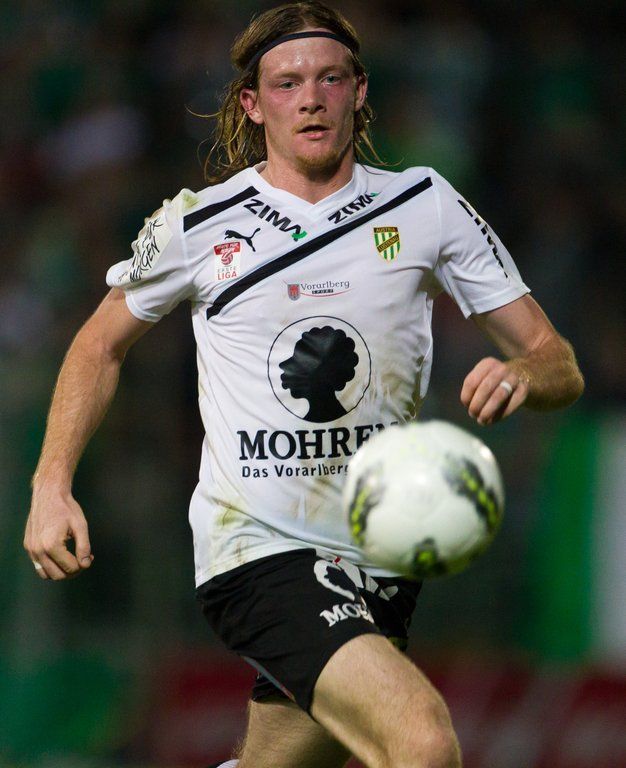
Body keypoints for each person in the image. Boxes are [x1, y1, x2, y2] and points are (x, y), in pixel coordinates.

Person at [24, 3, 584, 767]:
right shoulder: (199, 224)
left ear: (360, 90)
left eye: (329, 79)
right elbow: (98, 345)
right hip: (256, 549)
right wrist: (50, 484)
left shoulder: (424, 205)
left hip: (382, 556)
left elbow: (558, 363)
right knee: (421, 740)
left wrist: (524, 373)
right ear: (254, 105)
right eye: (287, 84)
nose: (311, 99)